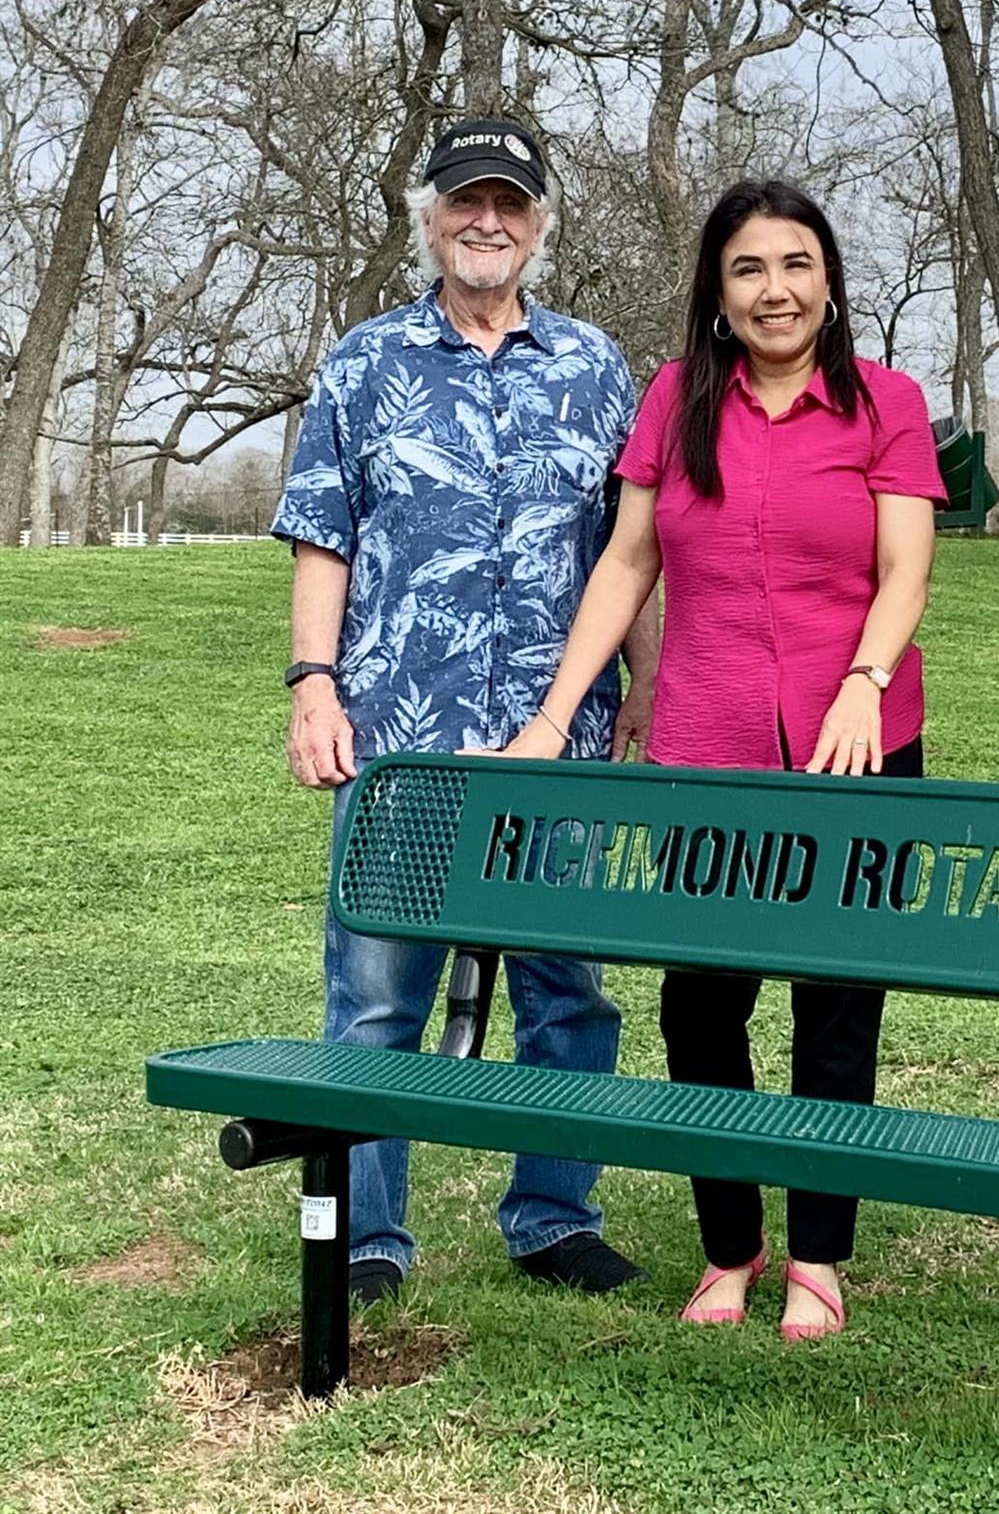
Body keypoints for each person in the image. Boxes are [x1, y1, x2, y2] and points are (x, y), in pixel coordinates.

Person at [501, 179, 943, 1339]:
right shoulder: (676, 401)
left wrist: (864, 680)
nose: (775, 289)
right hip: (711, 748)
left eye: (796, 264)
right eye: (749, 269)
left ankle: (821, 1258)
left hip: (859, 744)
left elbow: (905, 567)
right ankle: (730, 1247)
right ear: (718, 292)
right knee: (704, 1007)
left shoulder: (884, 402)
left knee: (836, 1008)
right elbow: (628, 561)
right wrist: (556, 714)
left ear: (831, 281)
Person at [272, 117, 652, 1305]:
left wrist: (644, 689)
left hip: (558, 742)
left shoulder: (597, 367)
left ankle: (553, 1212)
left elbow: (628, 549)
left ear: (540, 224)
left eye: (511, 202)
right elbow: (323, 537)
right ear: (427, 213)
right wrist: (312, 685)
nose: (488, 220)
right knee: (378, 993)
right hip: (403, 743)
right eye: (465, 199)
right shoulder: (363, 362)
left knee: (569, 991)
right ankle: (370, 1237)